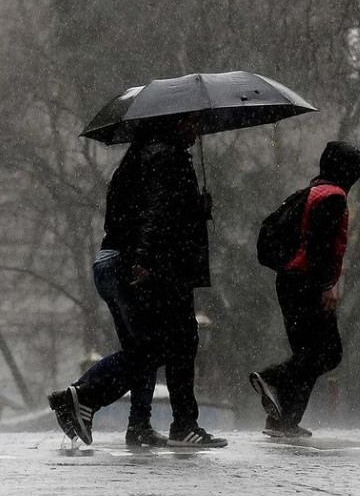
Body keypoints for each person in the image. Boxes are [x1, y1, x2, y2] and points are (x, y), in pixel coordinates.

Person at [49, 120, 227, 448]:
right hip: (137, 265)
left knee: (144, 346)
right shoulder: (165, 157)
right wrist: (144, 259)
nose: (196, 130)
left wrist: (196, 211)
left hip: (110, 263)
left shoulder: (134, 162)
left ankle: (139, 424)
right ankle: (82, 395)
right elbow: (155, 214)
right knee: (162, 346)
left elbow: (144, 213)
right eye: (190, 124)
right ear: (171, 127)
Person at [250, 141, 360, 438]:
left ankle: (283, 421)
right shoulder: (334, 197)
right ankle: (272, 378)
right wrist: (326, 285)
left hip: (289, 280)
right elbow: (320, 247)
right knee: (328, 352)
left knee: (307, 354)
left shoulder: (308, 193)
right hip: (308, 282)